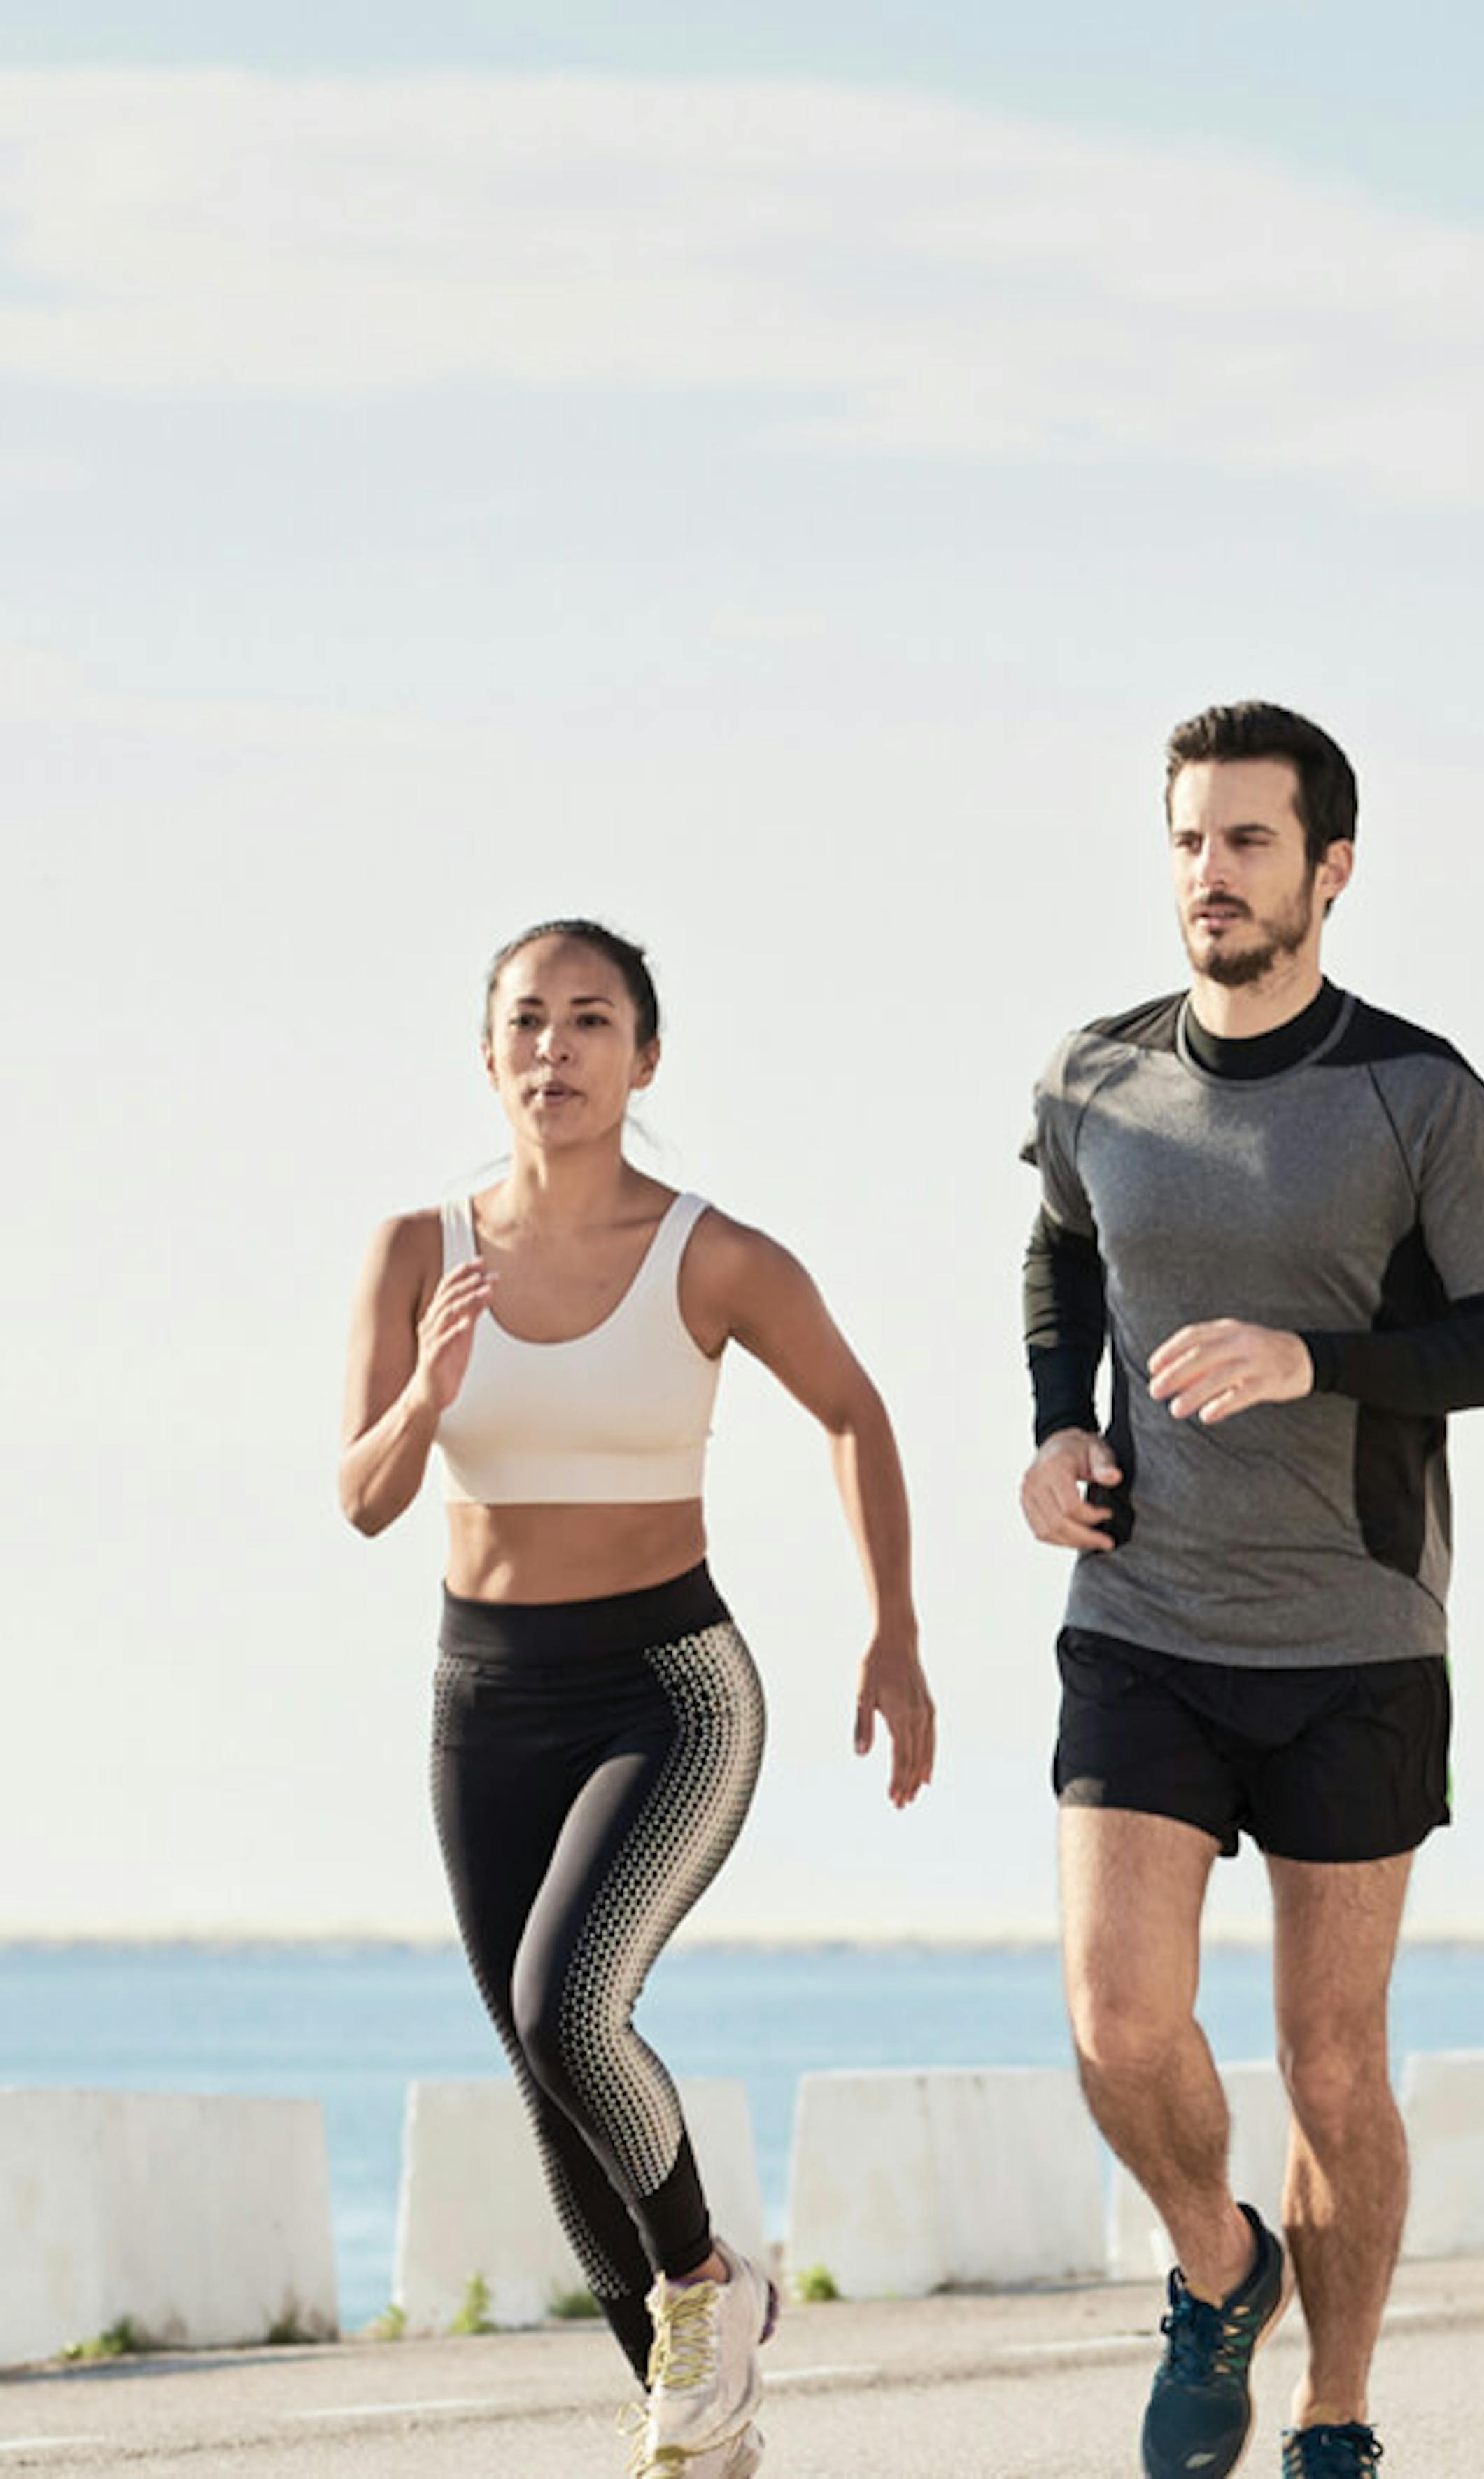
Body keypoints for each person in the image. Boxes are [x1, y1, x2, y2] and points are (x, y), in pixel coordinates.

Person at [1019, 702, 1484, 2479]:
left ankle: (1334, 2414)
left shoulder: (1420, 1092)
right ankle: (1218, 2264)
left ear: (1330, 868)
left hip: (1355, 1640)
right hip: (1144, 1619)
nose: (1211, 874)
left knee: (1333, 2067)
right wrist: (1051, 1431)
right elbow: (1061, 1253)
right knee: (1116, 2020)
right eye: (1189, 839)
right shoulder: (1095, 1074)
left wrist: (1309, 1358)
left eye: (1249, 842)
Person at [339, 919, 934, 2479]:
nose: (555, 1049)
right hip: (487, 1696)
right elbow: (361, 1497)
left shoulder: (711, 1254)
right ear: (487, 1053)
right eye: (526, 1021)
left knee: (566, 2007)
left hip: (670, 1688)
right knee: (552, 2086)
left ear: (644, 1056)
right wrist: (423, 1391)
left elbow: (853, 1408)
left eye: (590, 1020)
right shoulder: (417, 1251)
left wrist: (894, 1634)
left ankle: (706, 2284)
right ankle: (697, 2424)